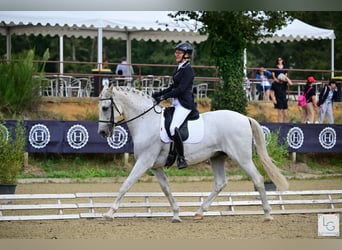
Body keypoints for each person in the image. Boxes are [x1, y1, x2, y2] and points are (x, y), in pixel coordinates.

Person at [152, 42, 198, 169]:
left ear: (186, 55)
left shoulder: (188, 70)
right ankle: (171, 152)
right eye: (176, 52)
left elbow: (181, 89)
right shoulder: (180, 67)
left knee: (173, 128)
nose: (176, 55)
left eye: (179, 53)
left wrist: (164, 97)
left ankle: (181, 158)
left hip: (185, 104)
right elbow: (173, 87)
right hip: (176, 103)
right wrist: (158, 94)